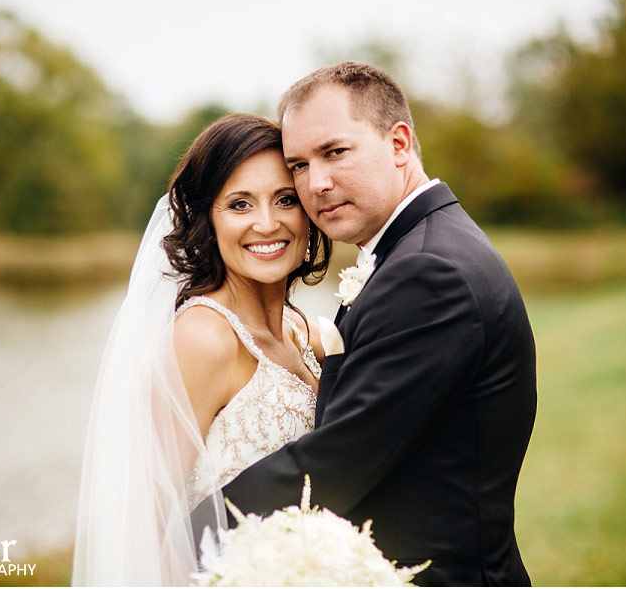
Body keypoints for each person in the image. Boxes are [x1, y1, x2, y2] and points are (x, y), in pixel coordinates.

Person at [222, 62, 538, 586]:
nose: (316, 183)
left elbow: (339, 460)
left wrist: (191, 528)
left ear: (399, 144)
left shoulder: (429, 271)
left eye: (334, 152)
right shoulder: (420, 248)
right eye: (298, 165)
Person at [72, 114, 332, 586]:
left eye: (285, 199)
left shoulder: (302, 332)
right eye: (239, 204)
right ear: (207, 219)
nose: (267, 223)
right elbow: (146, 519)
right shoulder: (204, 338)